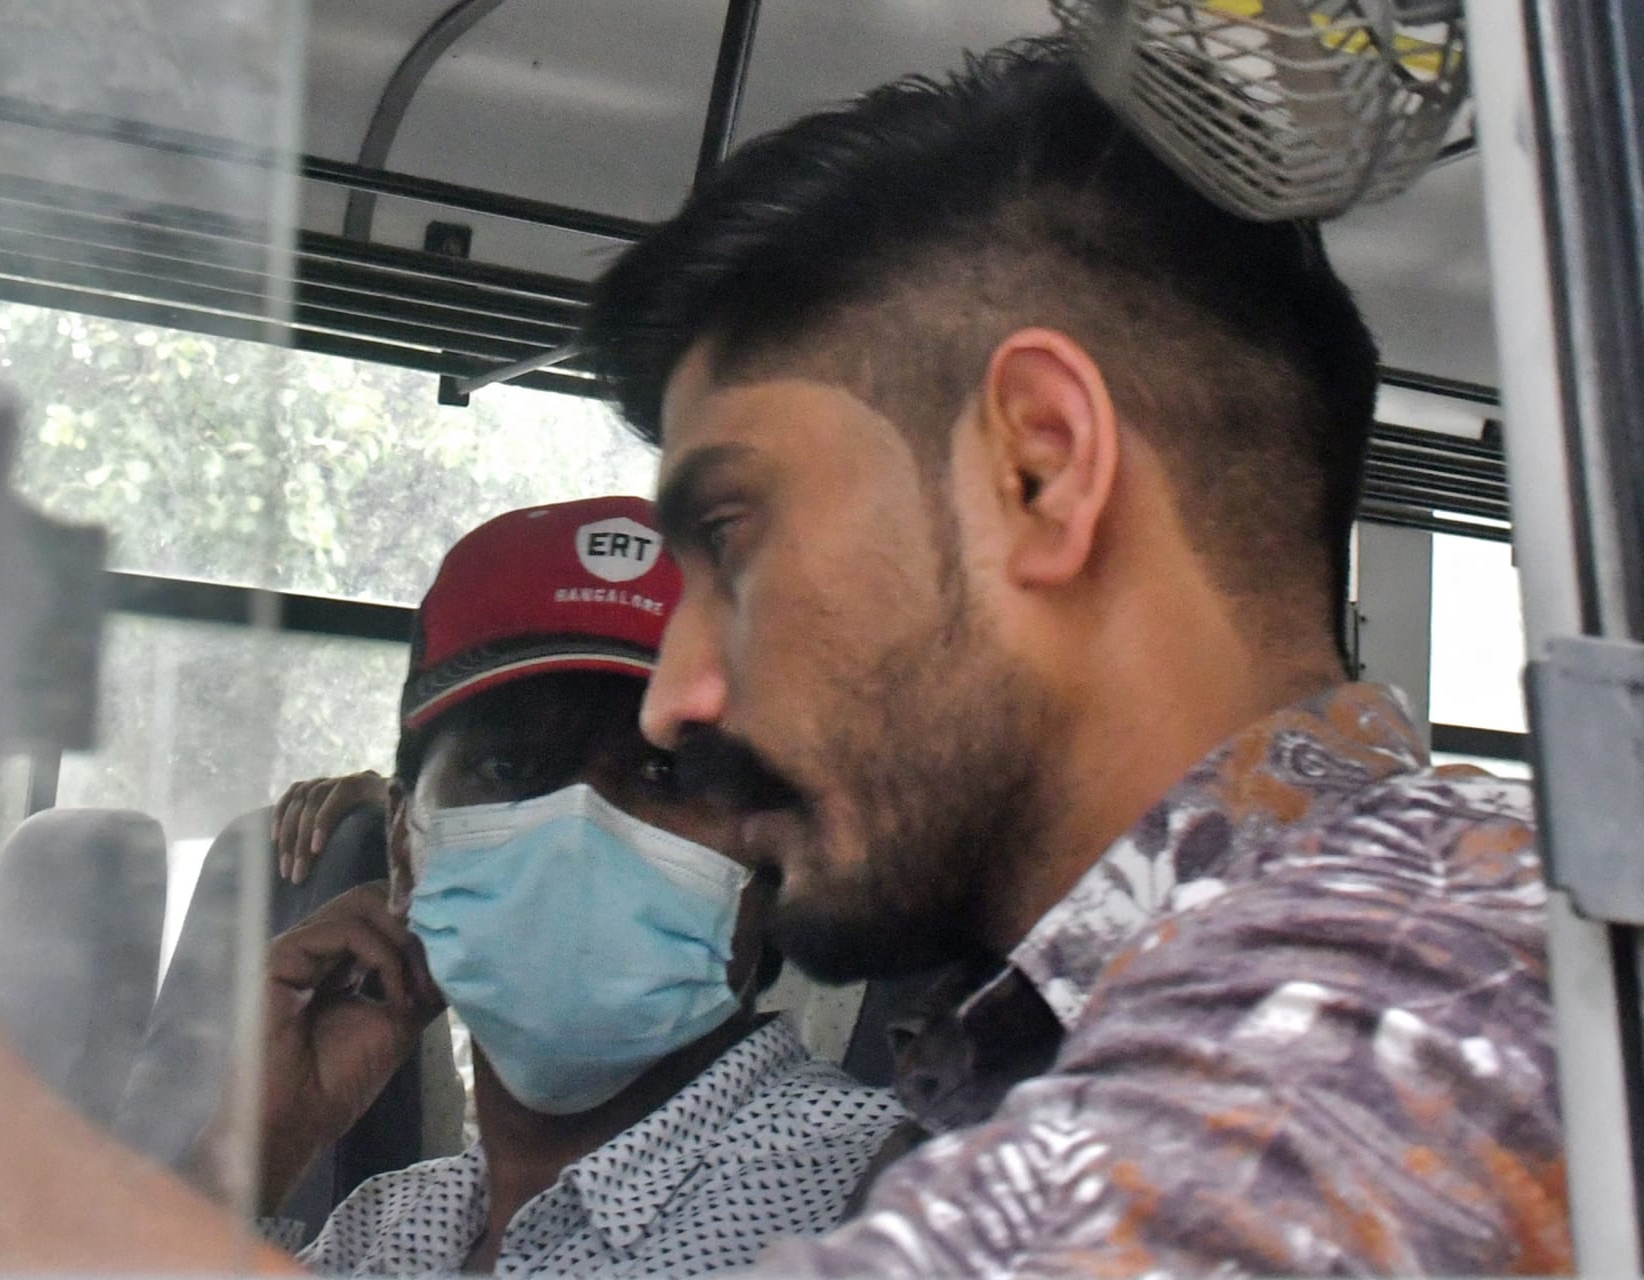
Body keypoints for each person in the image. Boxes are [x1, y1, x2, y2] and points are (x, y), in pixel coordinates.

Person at [578, 36, 1567, 1277]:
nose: (676, 700)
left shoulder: (1408, 1001)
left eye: (732, 537)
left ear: (1039, 470)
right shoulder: (1097, 1040)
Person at [214, 495, 905, 1274]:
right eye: (508, 769)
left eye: (665, 773)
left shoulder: (893, 1206)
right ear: (406, 849)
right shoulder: (386, 1230)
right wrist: (252, 1155)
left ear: (787, 856)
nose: (577, 832)